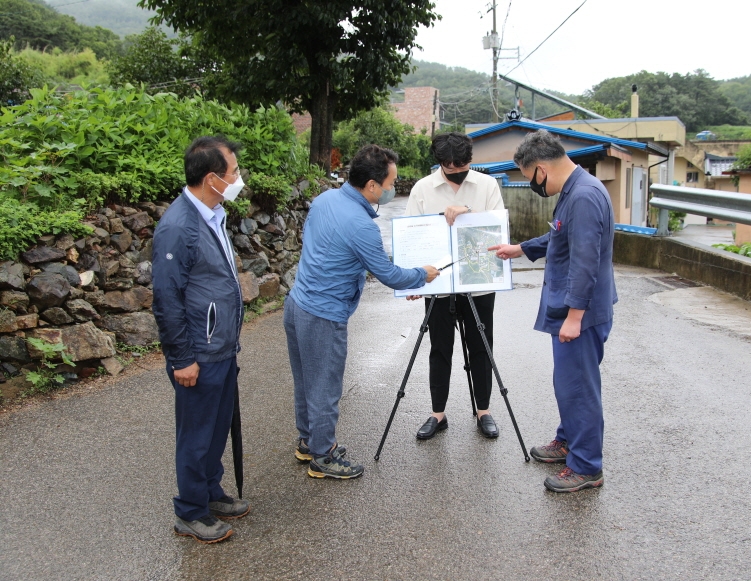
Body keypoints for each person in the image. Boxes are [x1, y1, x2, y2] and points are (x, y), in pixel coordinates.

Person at [285, 144, 439, 480]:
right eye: (390, 184)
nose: (392, 189)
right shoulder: (361, 224)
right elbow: (388, 274)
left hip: (297, 303)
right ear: (371, 185)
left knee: (306, 381)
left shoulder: (325, 199)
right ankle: (323, 456)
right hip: (324, 314)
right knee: (325, 387)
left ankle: (308, 441)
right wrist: (421, 275)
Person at [489, 130, 618, 493]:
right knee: (569, 384)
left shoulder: (584, 196)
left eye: (529, 177)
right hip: (575, 309)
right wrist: (521, 249)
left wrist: (574, 317)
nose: (532, 184)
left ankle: (587, 467)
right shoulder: (575, 190)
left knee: (579, 388)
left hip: (581, 313)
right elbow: (559, 236)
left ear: (541, 169)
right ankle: (568, 441)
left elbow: (585, 261)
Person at [152, 136, 250, 543]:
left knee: (215, 428)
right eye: (234, 172)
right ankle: (190, 511)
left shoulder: (212, 214)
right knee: (196, 434)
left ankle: (210, 492)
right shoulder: (178, 227)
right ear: (212, 178)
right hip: (199, 351)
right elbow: (166, 298)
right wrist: (181, 358)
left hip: (220, 346)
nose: (239, 179)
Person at [405, 132, 506, 440]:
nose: (457, 171)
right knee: (439, 348)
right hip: (437, 285)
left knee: (481, 346)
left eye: (463, 165)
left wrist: (468, 213)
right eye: (450, 166)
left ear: (470, 160)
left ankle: (483, 411)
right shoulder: (423, 189)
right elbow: (411, 236)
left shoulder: (487, 185)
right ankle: (438, 414)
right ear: (440, 162)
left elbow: (498, 231)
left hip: (479, 284)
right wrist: (412, 279)